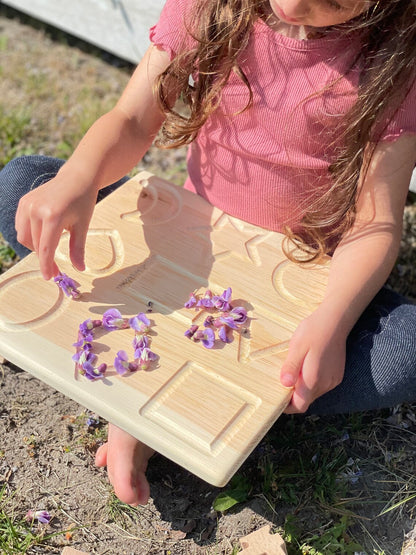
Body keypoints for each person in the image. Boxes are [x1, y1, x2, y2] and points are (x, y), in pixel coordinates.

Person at [0, 0, 415, 507]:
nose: (296, 5)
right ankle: (183, 395)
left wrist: (334, 316)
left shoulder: (397, 55)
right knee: (21, 184)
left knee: (405, 349)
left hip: (293, 288)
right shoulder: (212, 5)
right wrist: (78, 179)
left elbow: (376, 221)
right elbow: (132, 118)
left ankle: (186, 400)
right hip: (184, 244)